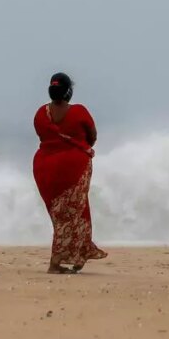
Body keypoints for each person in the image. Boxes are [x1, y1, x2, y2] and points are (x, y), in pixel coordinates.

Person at [32, 73, 107, 274]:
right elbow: (93, 136)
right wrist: (80, 146)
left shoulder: (41, 113)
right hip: (74, 167)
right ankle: (56, 263)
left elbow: (43, 136)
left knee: (61, 216)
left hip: (44, 168)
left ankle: (77, 256)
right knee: (75, 212)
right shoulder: (79, 112)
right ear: (69, 91)